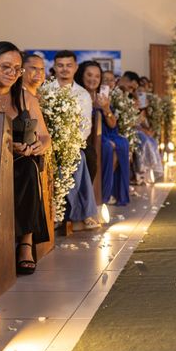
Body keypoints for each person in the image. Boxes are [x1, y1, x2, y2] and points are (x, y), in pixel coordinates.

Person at [0, 42, 52, 274]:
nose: (12, 73)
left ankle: (25, 243)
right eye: (6, 67)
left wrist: (38, 145)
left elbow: (44, 136)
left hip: (21, 161)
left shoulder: (25, 98)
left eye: (17, 69)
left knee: (28, 169)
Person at [52, 50, 100, 229]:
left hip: (73, 142)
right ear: (55, 67)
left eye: (69, 65)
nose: (65, 69)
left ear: (75, 67)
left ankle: (63, 212)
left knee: (77, 157)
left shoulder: (82, 94)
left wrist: (69, 144)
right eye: (60, 65)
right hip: (50, 141)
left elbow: (85, 126)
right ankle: (77, 212)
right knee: (76, 159)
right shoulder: (45, 90)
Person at [75, 61, 130, 206]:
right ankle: (102, 193)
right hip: (89, 135)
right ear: (82, 75)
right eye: (89, 75)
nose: (93, 79)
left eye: (97, 76)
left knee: (122, 143)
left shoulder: (102, 95)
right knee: (107, 147)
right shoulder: (77, 94)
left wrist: (106, 108)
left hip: (106, 132)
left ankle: (110, 190)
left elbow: (113, 124)